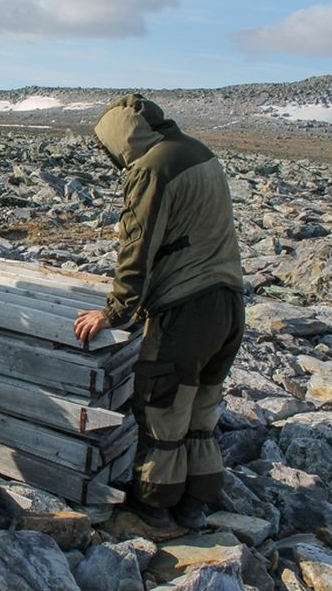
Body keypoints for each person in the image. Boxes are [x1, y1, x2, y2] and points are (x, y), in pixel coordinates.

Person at [74, 94, 244, 529]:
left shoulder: (152, 168)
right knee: (202, 406)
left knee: (161, 407)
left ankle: (154, 504)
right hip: (228, 304)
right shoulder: (198, 151)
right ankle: (196, 500)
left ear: (121, 139)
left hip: (185, 309)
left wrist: (114, 313)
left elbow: (138, 250)